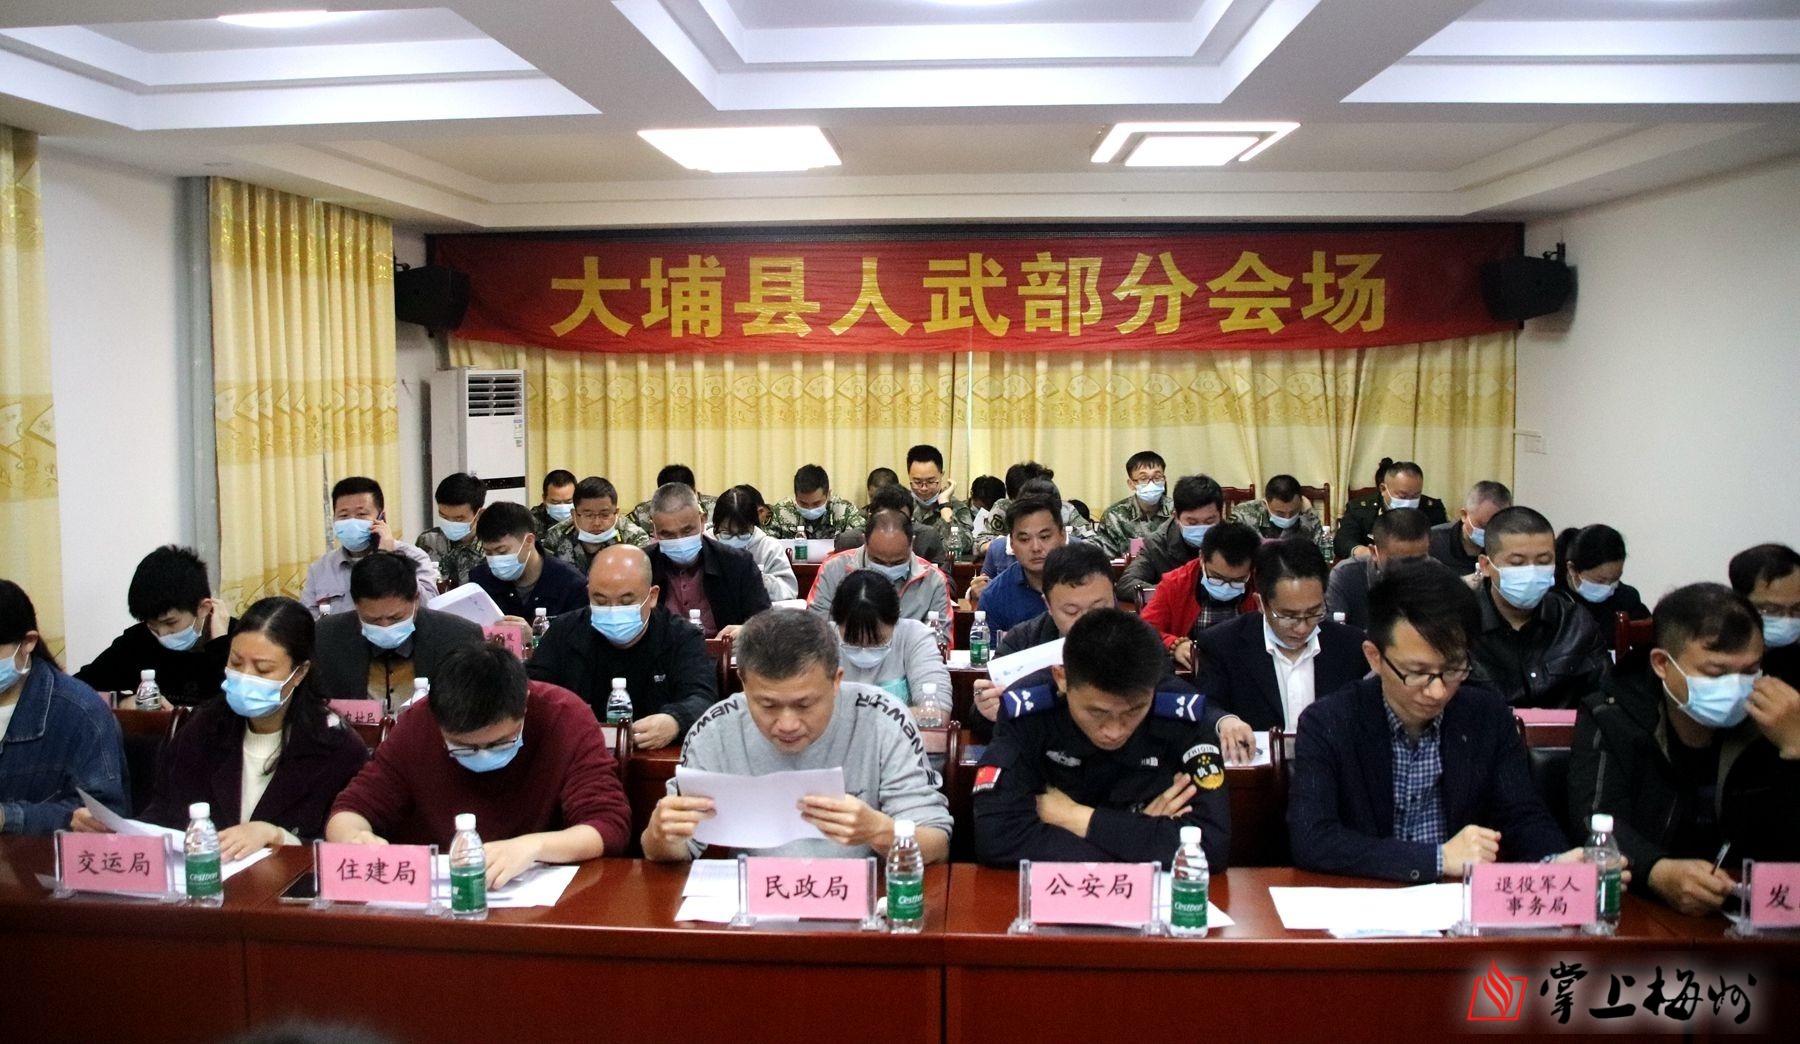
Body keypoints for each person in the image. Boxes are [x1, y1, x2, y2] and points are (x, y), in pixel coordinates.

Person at [1287, 559, 1574, 882]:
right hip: (1369, 895)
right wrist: (1437, 859)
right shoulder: (1328, 723)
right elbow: (1313, 838)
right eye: (1418, 673)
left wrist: (1556, 862)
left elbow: (1522, 815)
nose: (1437, 692)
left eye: (1452, 669)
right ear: (1375, 657)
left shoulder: (1487, 715)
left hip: (1460, 900)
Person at [642, 609, 953, 863]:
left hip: (863, 900)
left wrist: (878, 831)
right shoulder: (716, 730)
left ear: (836, 681)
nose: (787, 724)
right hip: (753, 902)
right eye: (768, 705)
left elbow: (936, 842)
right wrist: (660, 835)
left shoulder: (883, 719)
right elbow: (670, 849)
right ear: (744, 683)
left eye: (804, 704)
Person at [1570, 583, 1800, 916]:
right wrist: (1656, 870)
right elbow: (1596, 818)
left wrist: (1795, 750)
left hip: (1759, 910)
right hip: (1644, 907)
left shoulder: (1778, 719)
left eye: (1750, 671)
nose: (1737, 687)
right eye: (1716, 672)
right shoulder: (1613, 712)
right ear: (1662, 663)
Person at [74, 597, 369, 852]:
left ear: (300, 673)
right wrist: (118, 832)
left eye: (263, 669)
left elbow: (342, 851)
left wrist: (278, 837)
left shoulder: (337, 748)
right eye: (236, 663)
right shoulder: (203, 728)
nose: (246, 676)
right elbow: (164, 815)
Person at [327, 644, 631, 886]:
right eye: (463, 746)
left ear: (524, 703)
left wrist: (534, 847)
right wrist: (355, 838)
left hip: (545, 898)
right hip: (443, 901)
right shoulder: (419, 722)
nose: (482, 754)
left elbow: (608, 825)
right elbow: (351, 809)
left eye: (500, 743)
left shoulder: (564, 716)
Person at [972, 609, 1233, 869]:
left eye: (1133, 711)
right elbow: (996, 838)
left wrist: (1076, 818)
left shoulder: (1181, 714)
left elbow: (1211, 846)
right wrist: (1138, 835)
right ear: (1062, 679)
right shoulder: (1027, 712)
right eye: (1097, 712)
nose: (1114, 731)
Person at [527, 545, 720, 750]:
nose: (613, 610)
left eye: (626, 602)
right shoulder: (565, 631)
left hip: (653, 754)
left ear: (652, 596)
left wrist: (674, 721)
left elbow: (702, 697)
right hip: (578, 751)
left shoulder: (681, 636)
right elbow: (532, 689)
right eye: (600, 601)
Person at [1196, 539, 1369, 732]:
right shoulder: (1222, 644)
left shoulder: (1351, 646)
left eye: (1314, 612)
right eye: (1288, 616)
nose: (1302, 628)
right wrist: (1224, 721)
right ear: (1261, 603)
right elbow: (1207, 707)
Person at [0, 580, 127, 834]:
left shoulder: (81, 712)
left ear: (28, 642)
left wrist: (8, 817)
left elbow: (104, 817)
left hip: (39, 857)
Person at [1469, 506, 1609, 708]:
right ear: (1486, 565)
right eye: (1517, 563)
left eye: (1544, 561)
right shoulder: (1459, 625)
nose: (1532, 572)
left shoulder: (1575, 623)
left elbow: (1605, 696)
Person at [310, 552, 485, 710]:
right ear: (356, 605)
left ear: (416, 600)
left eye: (395, 618)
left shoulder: (459, 638)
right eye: (373, 620)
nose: (385, 626)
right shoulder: (325, 637)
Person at [76, 545, 231, 705]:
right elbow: (76, 690)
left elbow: (238, 704)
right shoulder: (137, 642)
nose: (162, 634)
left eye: (170, 622)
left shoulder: (239, 636)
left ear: (203, 608)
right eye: (152, 625)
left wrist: (220, 645)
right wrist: (122, 702)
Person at [807, 485, 955, 626]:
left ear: (911, 543)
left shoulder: (933, 580)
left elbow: (941, 639)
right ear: (865, 540)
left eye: (898, 562)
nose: (887, 568)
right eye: (878, 560)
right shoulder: (833, 570)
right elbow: (816, 632)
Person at [645, 483, 772, 638]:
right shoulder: (640, 566)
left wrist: (747, 631)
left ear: (702, 520)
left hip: (723, 651)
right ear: (654, 529)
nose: (679, 540)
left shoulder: (737, 563)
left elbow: (766, 623)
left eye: (687, 531)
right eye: (668, 535)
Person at [299, 476, 438, 617]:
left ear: (381, 518)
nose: (352, 522)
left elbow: (429, 610)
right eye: (344, 515)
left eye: (361, 514)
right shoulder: (320, 569)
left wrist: (389, 559)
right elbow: (308, 621)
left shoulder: (414, 557)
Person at [1144, 521, 1261, 670]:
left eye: (1237, 581)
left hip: (1246, 667)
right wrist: (1174, 645)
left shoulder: (1262, 584)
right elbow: (1143, 631)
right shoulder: (1175, 583)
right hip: (1192, 670)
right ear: (1201, 558)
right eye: (1217, 577)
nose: (1226, 586)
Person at [830, 570, 950, 710]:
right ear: (836, 623)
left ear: (895, 620)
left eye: (876, 642)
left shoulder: (915, 637)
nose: (864, 650)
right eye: (852, 642)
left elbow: (936, 710)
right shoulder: (822, 641)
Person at [468, 501, 589, 620]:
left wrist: (534, 632)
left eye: (502, 551)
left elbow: (578, 631)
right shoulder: (480, 581)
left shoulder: (570, 585)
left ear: (529, 541)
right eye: (488, 553)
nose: (495, 560)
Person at [1115, 474, 1226, 603]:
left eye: (1209, 521)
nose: (1201, 528)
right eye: (1192, 523)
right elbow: (1126, 584)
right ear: (1176, 517)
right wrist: (1174, 593)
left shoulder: (1235, 539)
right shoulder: (1157, 543)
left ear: (1221, 515)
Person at [1325, 507, 1432, 630]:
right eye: (1398, 560)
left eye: (1419, 559)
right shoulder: (1345, 576)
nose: (1409, 569)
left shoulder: (1439, 575)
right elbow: (1334, 633)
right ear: (1374, 553)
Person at [975, 493, 1068, 633]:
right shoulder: (994, 596)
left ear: (1063, 537)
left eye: (1044, 537)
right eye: (1024, 539)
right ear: (1011, 543)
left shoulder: (1088, 584)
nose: (1036, 548)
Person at [1333, 458, 1448, 561]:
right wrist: (1363, 552)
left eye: (1415, 496)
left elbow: (1442, 544)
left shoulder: (1432, 509)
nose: (1409, 501)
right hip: (1373, 568)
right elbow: (1343, 541)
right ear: (1383, 489)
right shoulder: (1361, 509)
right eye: (1403, 496)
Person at [541, 475, 653, 576]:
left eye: (604, 515)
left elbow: (642, 581)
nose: (596, 523)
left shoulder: (634, 538)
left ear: (616, 512)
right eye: (588, 515)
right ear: (574, 515)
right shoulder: (555, 537)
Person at [1727, 543, 1800, 690]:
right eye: (1771, 609)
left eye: (1797, 608)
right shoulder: (1717, 656)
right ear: (1739, 603)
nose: (1786, 619)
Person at [1553, 523, 1649, 632]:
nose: (1608, 588)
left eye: (1615, 579)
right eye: (1600, 581)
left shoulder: (1626, 597)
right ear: (1572, 569)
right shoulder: (1551, 603)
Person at [712, 485, 799, 601]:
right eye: (727, 532)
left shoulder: (769, 547)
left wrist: (759, 579)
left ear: (753, 525)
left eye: (742, 532)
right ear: (716, 526)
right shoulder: (707, 545)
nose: (735, 538)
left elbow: (789, 591)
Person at [1232, 474, 1332, 563]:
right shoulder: (1244, 514)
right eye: (1280, 513)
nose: (1288, 517)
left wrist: (1309, 513)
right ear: (1266, 504)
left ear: (1301, 502)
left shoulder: (1307, 514)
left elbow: (1323, 555)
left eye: (1293, 511)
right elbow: (1231, 553)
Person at [414, 472, 487, 589]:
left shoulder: (491, 547)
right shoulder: (427, 541)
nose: (450, 523)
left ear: (478, 514)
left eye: (459, 519)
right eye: (444, 517)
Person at [905, 443, 975, 562]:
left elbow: (963, 546)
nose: (924, 488)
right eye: (917, 482)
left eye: (931, 481)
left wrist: (944, 505)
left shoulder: (958, 508)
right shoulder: (900, 506)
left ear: (942, 475)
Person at [1427, 480, 1512, 577]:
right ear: (1464, 515)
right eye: (1483, 526)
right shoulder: (1431, 542)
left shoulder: (1509, 546)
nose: (1489, 532)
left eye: (1497, 527)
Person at [766, 464, 866, 541]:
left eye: (816, 503)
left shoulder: (844, 510)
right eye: (803, 503)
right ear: (795, 497)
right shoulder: (781, 511)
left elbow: (862, 535)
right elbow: (767, 546)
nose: (810, 509)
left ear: (828, 495)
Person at [630, 464, 716, 530]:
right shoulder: (641, 513)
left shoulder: (716, 508)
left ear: (694, 491)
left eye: (683, 498)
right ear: (660, 494)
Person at [530, 469, 578, 542]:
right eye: (556, 502)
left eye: (569, 502)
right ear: (544, 499)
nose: (562, 507)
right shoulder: (531, 521)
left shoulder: (586, 517)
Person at [967, 475, 1006, 541]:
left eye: (989, 509)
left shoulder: (1003, 511)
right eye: (981, 508)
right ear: (972, 494)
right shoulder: (959, 512)